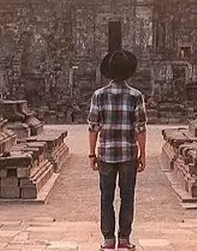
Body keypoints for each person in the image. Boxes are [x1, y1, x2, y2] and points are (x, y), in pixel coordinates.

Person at [88, 49, 147, 250]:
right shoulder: (135, 95)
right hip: (129, 153)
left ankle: (108, 240)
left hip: (106, 153)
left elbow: (93, 127)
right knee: (127, 196)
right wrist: (143, 154)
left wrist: (92, 153)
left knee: (106, 196)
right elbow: (140, 128)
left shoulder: (99, 95)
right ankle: (124, 239)